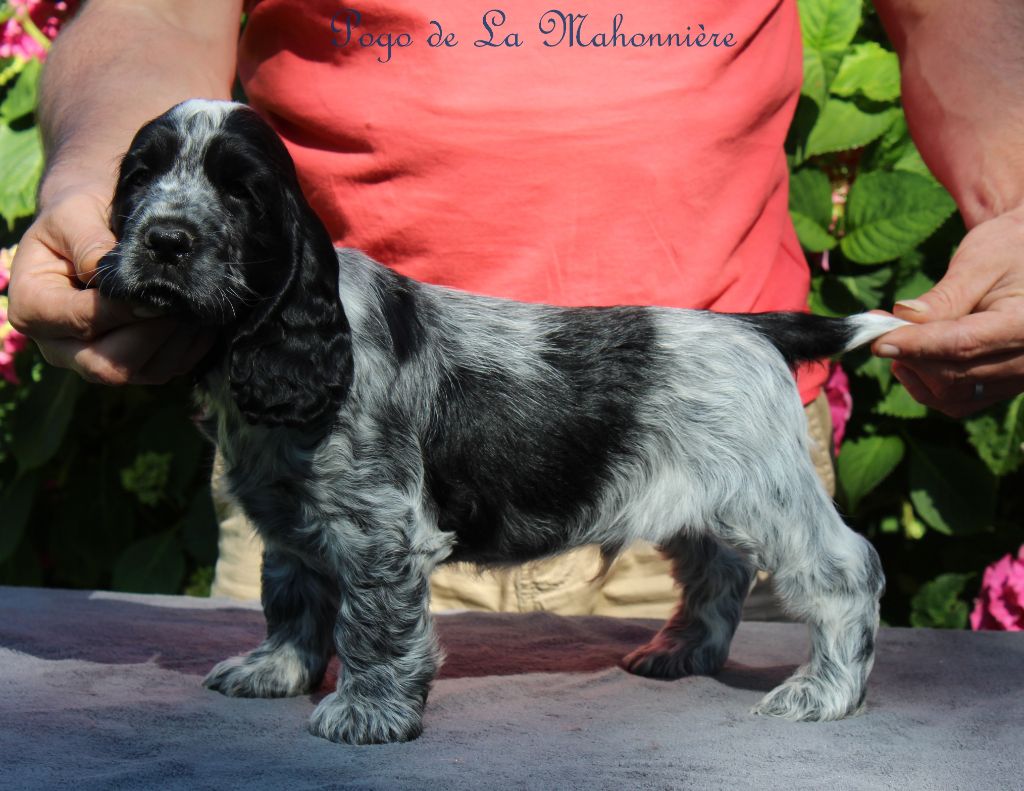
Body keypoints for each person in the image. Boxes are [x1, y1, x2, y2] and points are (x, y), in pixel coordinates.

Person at [8, 0, 1024, 612]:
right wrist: (101, 185)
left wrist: (1018, 202)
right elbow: (157, 10)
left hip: (697, 419)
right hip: (338, 442)